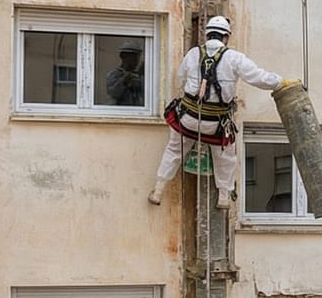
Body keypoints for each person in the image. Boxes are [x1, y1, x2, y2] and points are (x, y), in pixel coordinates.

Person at [148, 15, 297, 209]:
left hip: (187, 119)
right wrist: (281, 82)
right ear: (226, 37)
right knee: (225, 155)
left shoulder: (193, 54)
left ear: (208, 34)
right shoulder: (234, 58)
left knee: (174, 149)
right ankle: (224, 196)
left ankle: (158, 190)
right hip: (214, 124)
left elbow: (181, 77)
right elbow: (258, 77)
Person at [106, 41, 147, 107]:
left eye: (137, 57)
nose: (136, 60)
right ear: (123, 56)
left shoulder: (140, 76)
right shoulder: (114, 74)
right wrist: (124, 80)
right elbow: (113, 94)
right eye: (132, 57)